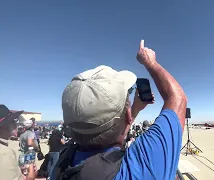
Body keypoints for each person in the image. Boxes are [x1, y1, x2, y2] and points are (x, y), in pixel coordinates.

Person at [54, 40, 187, 180]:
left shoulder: (61, 164)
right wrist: (150, 62)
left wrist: (134, 109)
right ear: (128, 116)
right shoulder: (142, 168)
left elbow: (109, 136)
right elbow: (177, 98)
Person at [0, 104, 37, 180]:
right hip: (28, 153)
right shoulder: (5, 153)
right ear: (4, 125)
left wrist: (16, 170)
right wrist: (31, 176)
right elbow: (30, 143)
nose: (16, 124)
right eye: (13, 120)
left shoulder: (22, 134)